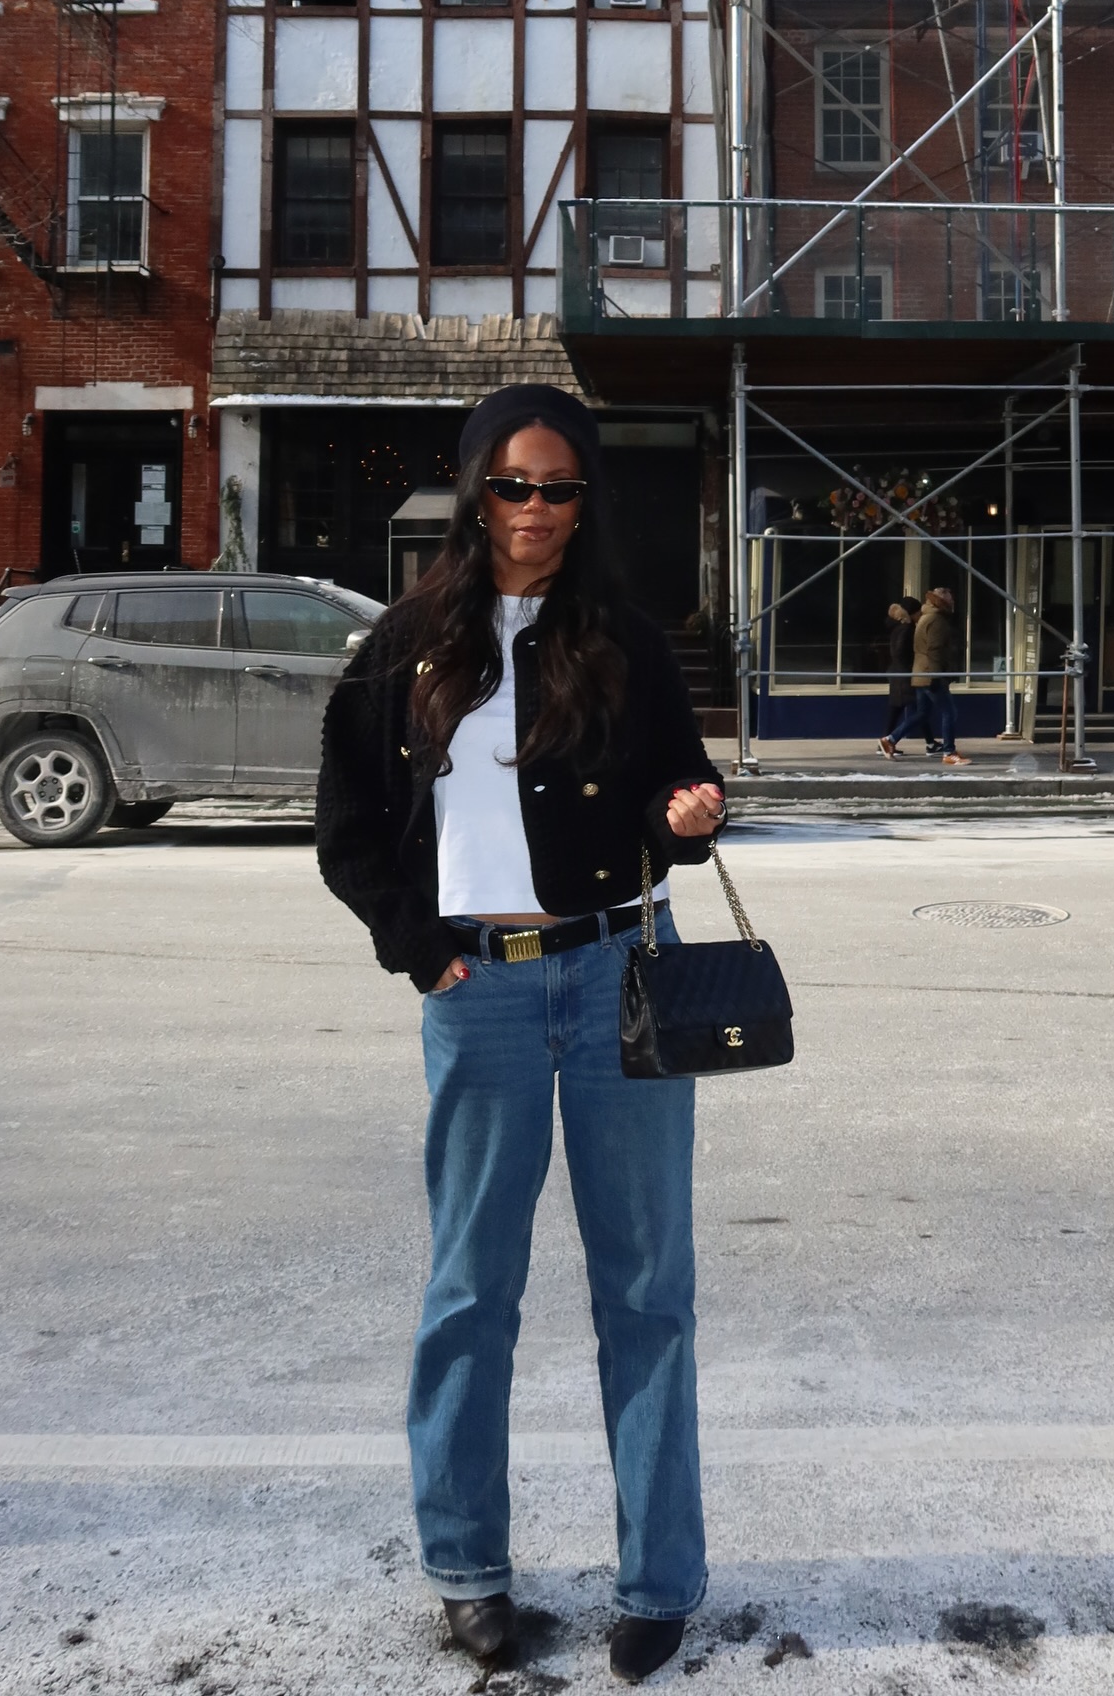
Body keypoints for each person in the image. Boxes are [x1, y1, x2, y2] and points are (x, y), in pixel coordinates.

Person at [316, 384, 725, 1687]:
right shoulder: (407, 644)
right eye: (512, 484)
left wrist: (694, 812)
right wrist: (419, 946)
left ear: (585, 500)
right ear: (472, 488)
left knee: (647, 1293)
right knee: (470, 1294)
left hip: (617, 979)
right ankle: (468, 1571)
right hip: (478, 993)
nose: (535, 512)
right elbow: (346, 826)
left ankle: (659, 1579)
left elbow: (676, 794)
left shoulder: (625, 642)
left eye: (558, 488)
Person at [880, 587, 971, 766]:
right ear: (942, 601)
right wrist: (936, 676)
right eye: (950, 599)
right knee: (949, 712)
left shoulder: (925, 617)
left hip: (920, 673)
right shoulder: (937, 620)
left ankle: (890, 740)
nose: (953, 602)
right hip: (930, 674)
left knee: (922, 713)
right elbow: (934, 650)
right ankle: (949, 752)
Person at [876, 595, 926, 756]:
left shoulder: (899, 627)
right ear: (911, 613)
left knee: (897, 709)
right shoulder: (906, 629)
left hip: (897, 673)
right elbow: (900, 651)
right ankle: (930, 743)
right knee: (921, 709)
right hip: (904, 674)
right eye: (918, 612)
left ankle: (886, 741)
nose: (920, 615)